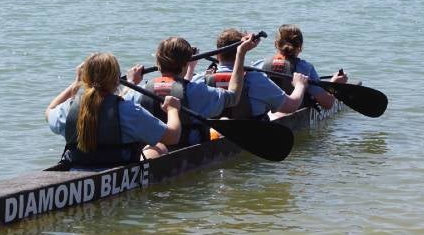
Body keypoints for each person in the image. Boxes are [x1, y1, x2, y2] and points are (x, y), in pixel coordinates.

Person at [46, 52, 182, 167]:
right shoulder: (129, 111)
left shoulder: (68, 109)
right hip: (118, 173)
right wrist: (172, 110)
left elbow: (49, 112)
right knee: (160, 147)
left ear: (85, 78)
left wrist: (75, 84)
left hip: (77, 169)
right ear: (117, 80)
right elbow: (173, 137)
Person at [127, 34, 258, 146]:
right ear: (186, 64)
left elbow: (121, 101)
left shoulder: (138, 92)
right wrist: (241, 53)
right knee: (223, 122)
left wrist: (131, 83)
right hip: (188, 148)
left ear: (158, 65)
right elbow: (233, 97)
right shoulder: (197, 91)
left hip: (153, 149)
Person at [193, 28, 309, 120]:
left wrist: (190, 68)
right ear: (244, 51)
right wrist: (300, 85)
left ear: (217, 55)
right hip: (251, 135)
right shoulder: (257, 79)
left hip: (212, 135)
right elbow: (291, 106)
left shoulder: (199, 80)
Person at [254, 25, 347, 113]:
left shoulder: (259, 65)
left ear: (276, 44)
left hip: (265, 115)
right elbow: (328, 104)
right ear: (300, 47)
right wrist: (335, 84)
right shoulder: (306, 69)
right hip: (289, 113)